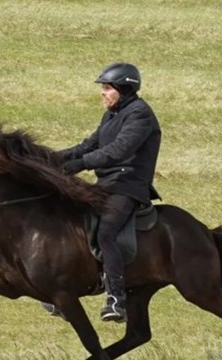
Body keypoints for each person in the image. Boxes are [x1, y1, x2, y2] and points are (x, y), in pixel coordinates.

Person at [46, 62, 162, 323]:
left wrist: (80, 165)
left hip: (129, 186)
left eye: (107, 88)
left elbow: (117, 151)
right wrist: (51, 158)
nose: (102, 93)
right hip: (107, 185)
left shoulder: (140, 115)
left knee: (106, 231)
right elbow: (87, 145)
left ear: (123, 89)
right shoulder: (111, 114)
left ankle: (116, 299)